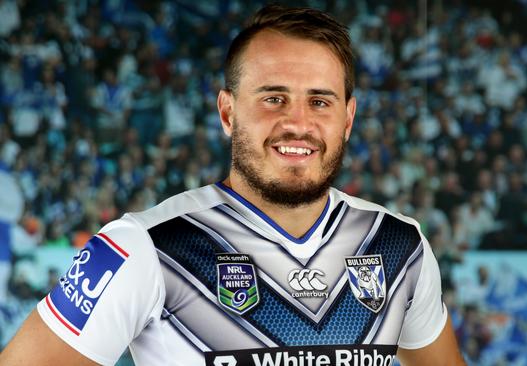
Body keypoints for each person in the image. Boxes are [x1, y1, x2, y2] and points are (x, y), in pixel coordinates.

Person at [0, 5, 465, 366]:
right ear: (227, 112)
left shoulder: (400, 245)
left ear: (347, 118)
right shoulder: (145, 246)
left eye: (320, 101)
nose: (297, 123)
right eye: (273, 98)